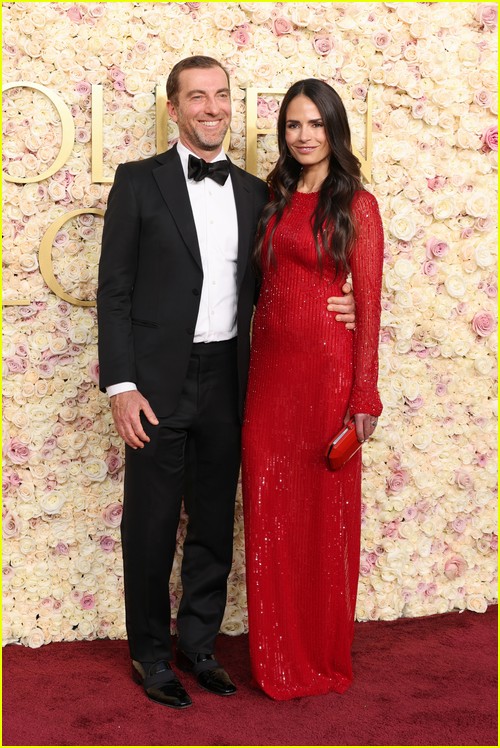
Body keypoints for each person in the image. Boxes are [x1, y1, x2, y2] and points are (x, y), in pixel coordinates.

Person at [97, 57, 355, 709]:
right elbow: (116, 291)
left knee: (214, 520)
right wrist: (121, 384)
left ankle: (199, 645)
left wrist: (343, 300)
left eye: (222, 96)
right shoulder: (137, 183)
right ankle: (152, 655)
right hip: (155, 382)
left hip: (233, 377)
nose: (212, 108)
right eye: (197, 97)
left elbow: (284, 285)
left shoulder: (253, 192)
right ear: (174, 108)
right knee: (152, 523)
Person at [242, 79, 384, 700]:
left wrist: (364, 397)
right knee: (270, 512)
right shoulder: (271, 197)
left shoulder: (358, 204)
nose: (304, 137)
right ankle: (276, 654)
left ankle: (320, 655)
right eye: (294, 126)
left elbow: (370, 307)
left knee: (324, 521)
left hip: (327, 376)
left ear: (335, 130)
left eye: (316, 125)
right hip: (268, 379)